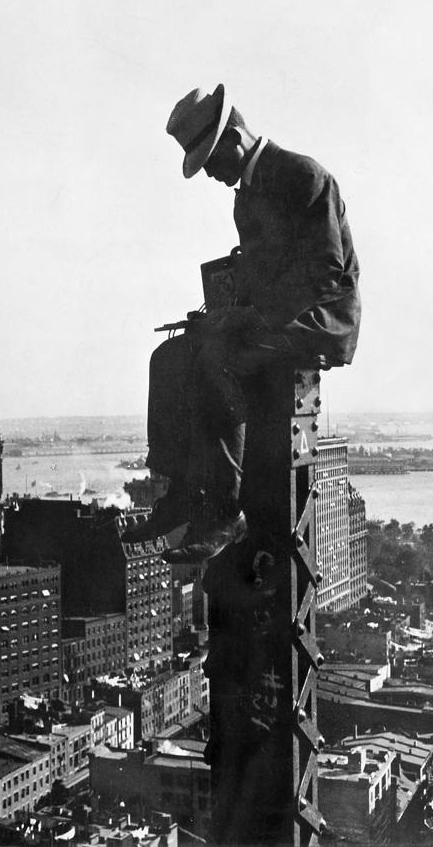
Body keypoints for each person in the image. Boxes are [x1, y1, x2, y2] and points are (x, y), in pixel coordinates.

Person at [122, 83, 360, 562]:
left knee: (220, 358)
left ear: (234, 137)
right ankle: (181, 494)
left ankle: (226, 512)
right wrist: (217, 315)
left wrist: (244, 319)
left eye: (210, 160)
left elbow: (325, 272)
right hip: (275, 317)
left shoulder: (302, 175)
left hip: (320, 318)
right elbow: (258, 277)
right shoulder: (245, 198)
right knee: (168, 357)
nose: (211, 173)